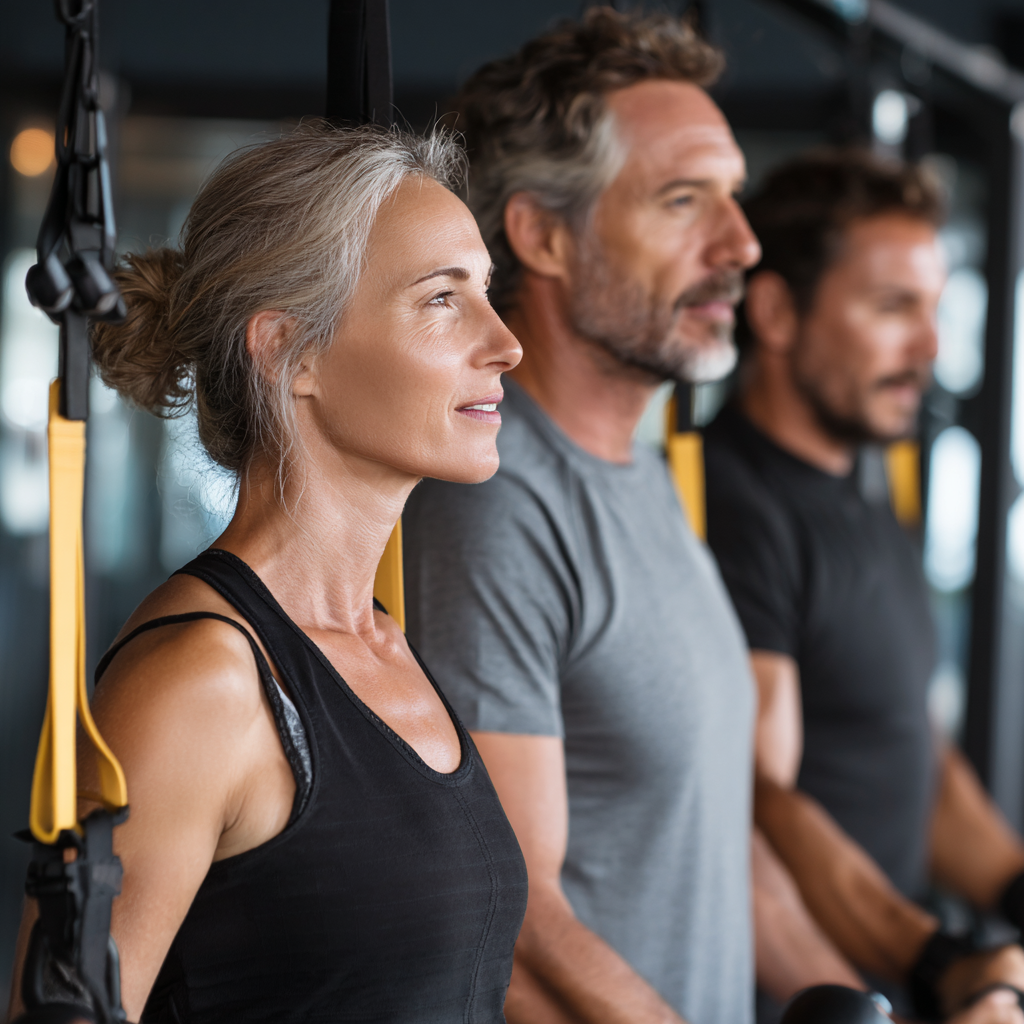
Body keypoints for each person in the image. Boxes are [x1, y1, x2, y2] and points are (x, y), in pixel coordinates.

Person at [402, 10, 876, 1024]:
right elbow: (514, 925)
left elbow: (714, 850)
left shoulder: (648, 474)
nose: (742, 244)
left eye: (734, 200)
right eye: (682, 201)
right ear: (541, 235)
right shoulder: (499, 507)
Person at [7, 122, 528, 1024]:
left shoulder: (385, 642)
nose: (505, 342)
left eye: (485, 292)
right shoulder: (205, 683)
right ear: (293, 354)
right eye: (443, 300)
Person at [704, 148, 1024, 1020]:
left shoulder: (867, 498)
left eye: (934, 312)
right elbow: (755, 817)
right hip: (815, 1000)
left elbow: (914, 752)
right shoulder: (737, 513)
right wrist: (937, 964)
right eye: (893, 308)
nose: (929, 347)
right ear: (773, 311)